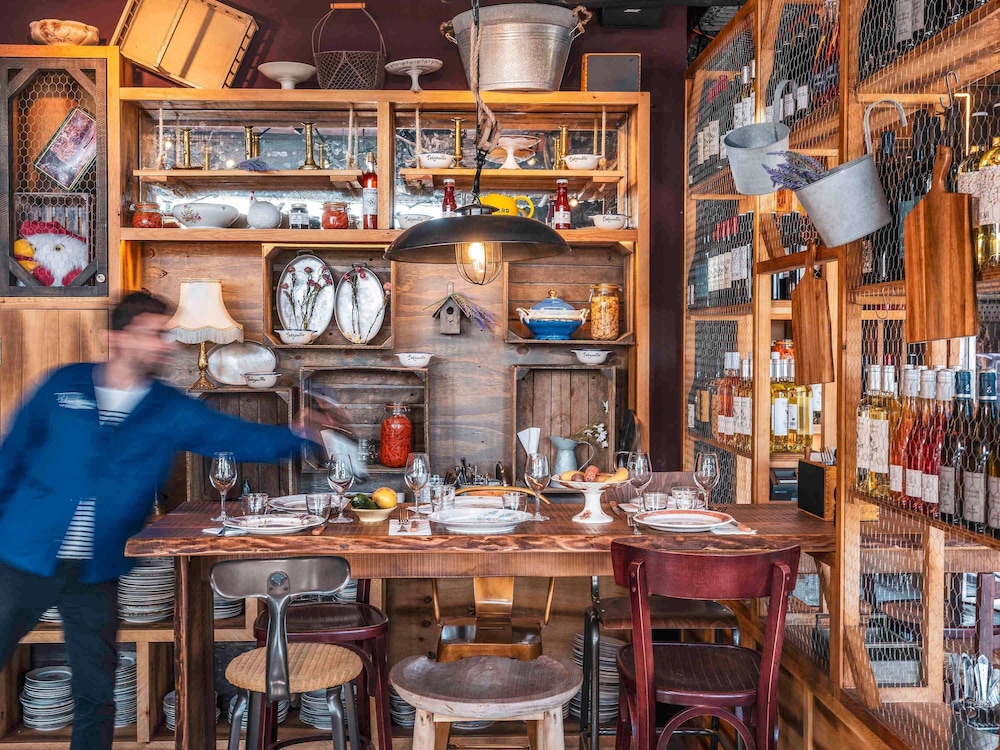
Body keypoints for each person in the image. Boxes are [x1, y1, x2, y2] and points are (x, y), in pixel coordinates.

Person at [0, 291, 317, 750]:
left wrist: (298, 436)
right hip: (23, 554)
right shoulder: (64, 385)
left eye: (164, 335)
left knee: (96, 694)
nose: (164, 345)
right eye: (152, 334)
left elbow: (234, 436)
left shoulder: (167, 406)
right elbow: (11, 456)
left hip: (95, 571)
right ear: (115, 337)